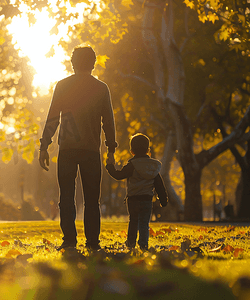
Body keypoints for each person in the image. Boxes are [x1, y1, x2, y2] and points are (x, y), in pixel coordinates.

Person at [39, 45, 117, 251]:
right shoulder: (101, 88)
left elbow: (53, 118)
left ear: (73, 63)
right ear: (93, 64)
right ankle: (92, 242)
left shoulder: (63, 86)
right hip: (91, 150)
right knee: (93, 200)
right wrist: (111, 151)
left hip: (67, 149)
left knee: (66, 197)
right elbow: (108, 122)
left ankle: (69, 241)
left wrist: (44, 146)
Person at [105, 133, 167, 250]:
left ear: (131, 151)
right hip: (147, 200)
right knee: (144, 223)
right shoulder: (153, 167)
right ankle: (143, 244)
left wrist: (110, 167)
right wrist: (163, 200)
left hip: (133, 199)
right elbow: (159, 185)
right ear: (148, 150)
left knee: (133, 221)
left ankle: (131, 243)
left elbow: (119, 175)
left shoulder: (132, 166)